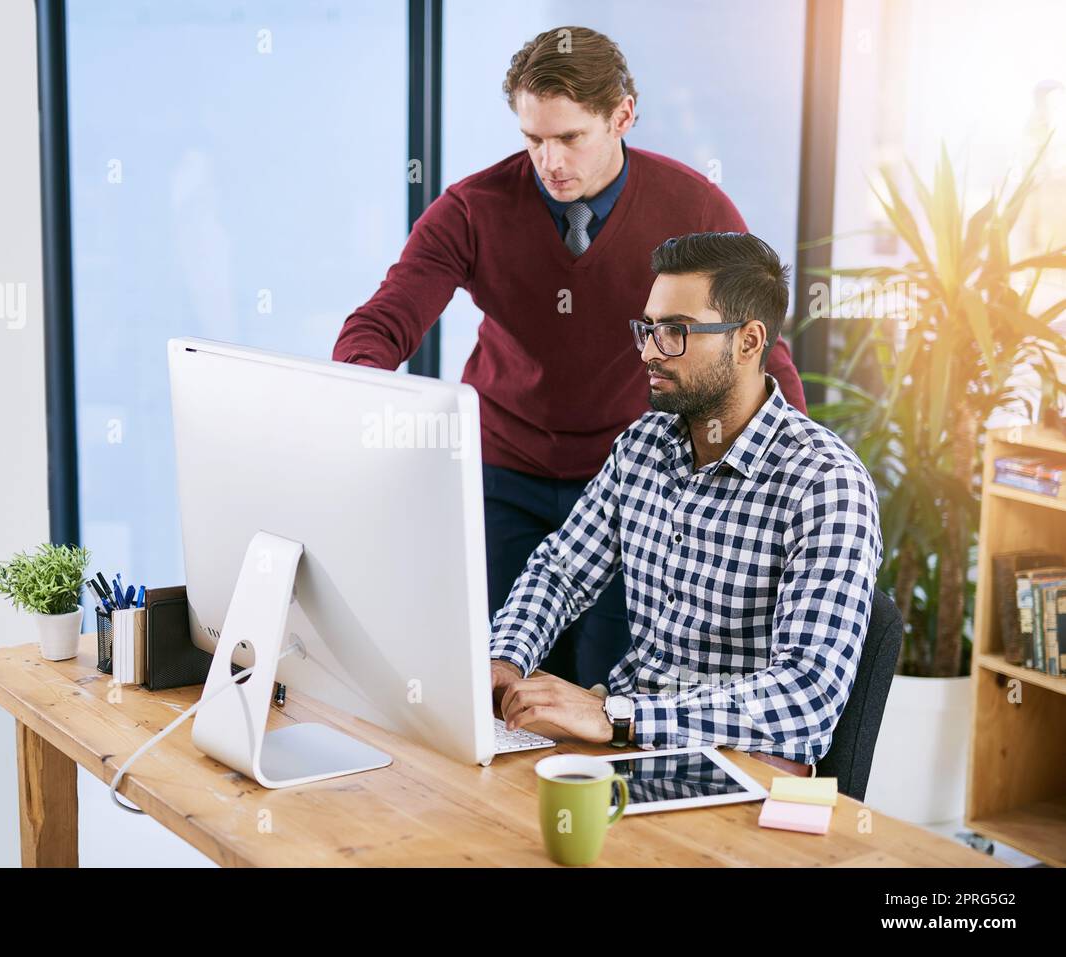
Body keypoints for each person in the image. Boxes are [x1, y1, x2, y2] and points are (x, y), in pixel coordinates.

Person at [332, 26, 807, 688]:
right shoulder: (473, 209)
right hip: (506, 472)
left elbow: (757, 341)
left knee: (603, 689)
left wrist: (795, 465)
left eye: (570, 138)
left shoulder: (695, 208)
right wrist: (353, 398)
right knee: (506, 686)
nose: (549, 161)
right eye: (533, 139)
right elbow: (385, 320)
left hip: (633, 484)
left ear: (622, 116)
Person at [491, 232, 882, 776]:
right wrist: (506, 658)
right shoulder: (644, 444)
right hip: (627, 745)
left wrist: (617, 716)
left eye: (676, 331)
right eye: (648, 329)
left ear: (748, 342)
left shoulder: (825, 484)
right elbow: (560, 572)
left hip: (737, 767)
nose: (650, 350)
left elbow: (806, 698)